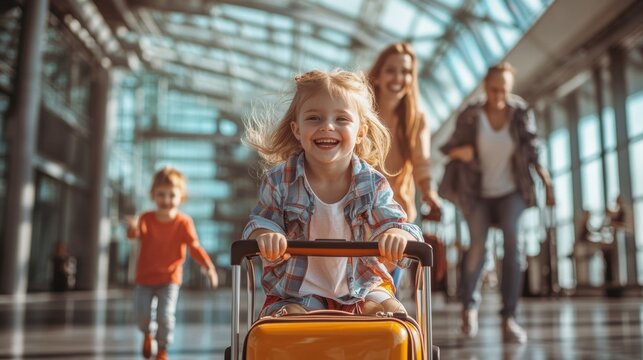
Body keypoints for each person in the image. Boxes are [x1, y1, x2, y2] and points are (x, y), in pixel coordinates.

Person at [242, 69, 424, 317]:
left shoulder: (372, 183)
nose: (327, 126)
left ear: (360, 132)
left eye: (341, 119)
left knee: (390, 313)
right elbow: (260, 222)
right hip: (298, 290)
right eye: (314, 118)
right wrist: (266, 234)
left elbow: (398, 224)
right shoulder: (279, 180)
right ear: (297, 130)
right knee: (290, 319)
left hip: (363, 286)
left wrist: (396, 233)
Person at [440, 62, 555, 344]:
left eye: (503, 89)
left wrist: (547, 182)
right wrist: (460, 152)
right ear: (485, 86)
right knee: (478, 246)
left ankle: (509, 317)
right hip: (476, 192)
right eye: (493, 89)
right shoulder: (470, 115)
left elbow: (532, 148)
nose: (498, 94)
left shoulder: (520, 113)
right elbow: (446, 148)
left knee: (513, 245)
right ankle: (469, 307)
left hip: (510, 191)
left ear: (510, 87)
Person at [367, 43, 442, 291]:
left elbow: (422, 162)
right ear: (377, 75)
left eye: (406, 72)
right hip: (357, 214)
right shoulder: (360, 113)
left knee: (385, 294)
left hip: (395, 217)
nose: (399, 78)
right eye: (391, 70)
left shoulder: (416, 119)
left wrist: (430, 191)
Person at [126, 166, 219, 360]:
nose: (166, 200)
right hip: (144, 278)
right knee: (142, 317)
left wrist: (208, 267)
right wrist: (133, 227)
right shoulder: (146, 218)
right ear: (153, 195)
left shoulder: (184, 222)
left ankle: (162, 349)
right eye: (161, 195)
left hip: (170, 279)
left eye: (171, 195)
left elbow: (194, 247)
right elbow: (133, 235)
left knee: (165, 317)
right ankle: (147, 333)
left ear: (181, 197)